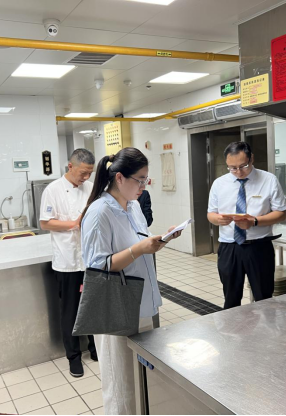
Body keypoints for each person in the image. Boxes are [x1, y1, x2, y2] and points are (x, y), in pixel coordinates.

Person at [81, 148, 181, 415]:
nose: (143, 186)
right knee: (121, 387)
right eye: (140, 180)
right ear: (120, 178)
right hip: (115, 307)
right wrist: (139, 249)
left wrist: (160, 240)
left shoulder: (134, 206)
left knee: (140, 380)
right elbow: (97, 266)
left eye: (146, 180)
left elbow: (138, 242)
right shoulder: (100, 212)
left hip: (141, 301)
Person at [207, 142, 286, 310]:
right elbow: (211, 214)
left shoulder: (268, 180)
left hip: (259, 247)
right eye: (232, 168)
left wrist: (255, 221)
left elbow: (281, 213)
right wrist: (218, 219)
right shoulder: (219, 184)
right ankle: (232, 327)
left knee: (264, 298)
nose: (238, 172)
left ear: (251, 159)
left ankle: (265, 326)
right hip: (229, 247)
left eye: (243, 166)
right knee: (231, 298)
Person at [40, 149, 98, 378]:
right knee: (70, 311)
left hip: (90, 259)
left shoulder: (91, 187)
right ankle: (74, 357)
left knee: (92, 307)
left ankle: (95, 348)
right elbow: (45, 223)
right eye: (83, 172)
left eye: (90, 173)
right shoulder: (53, 190)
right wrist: (74, 224)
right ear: (70, 166)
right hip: (67, 261)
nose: (86, 177)